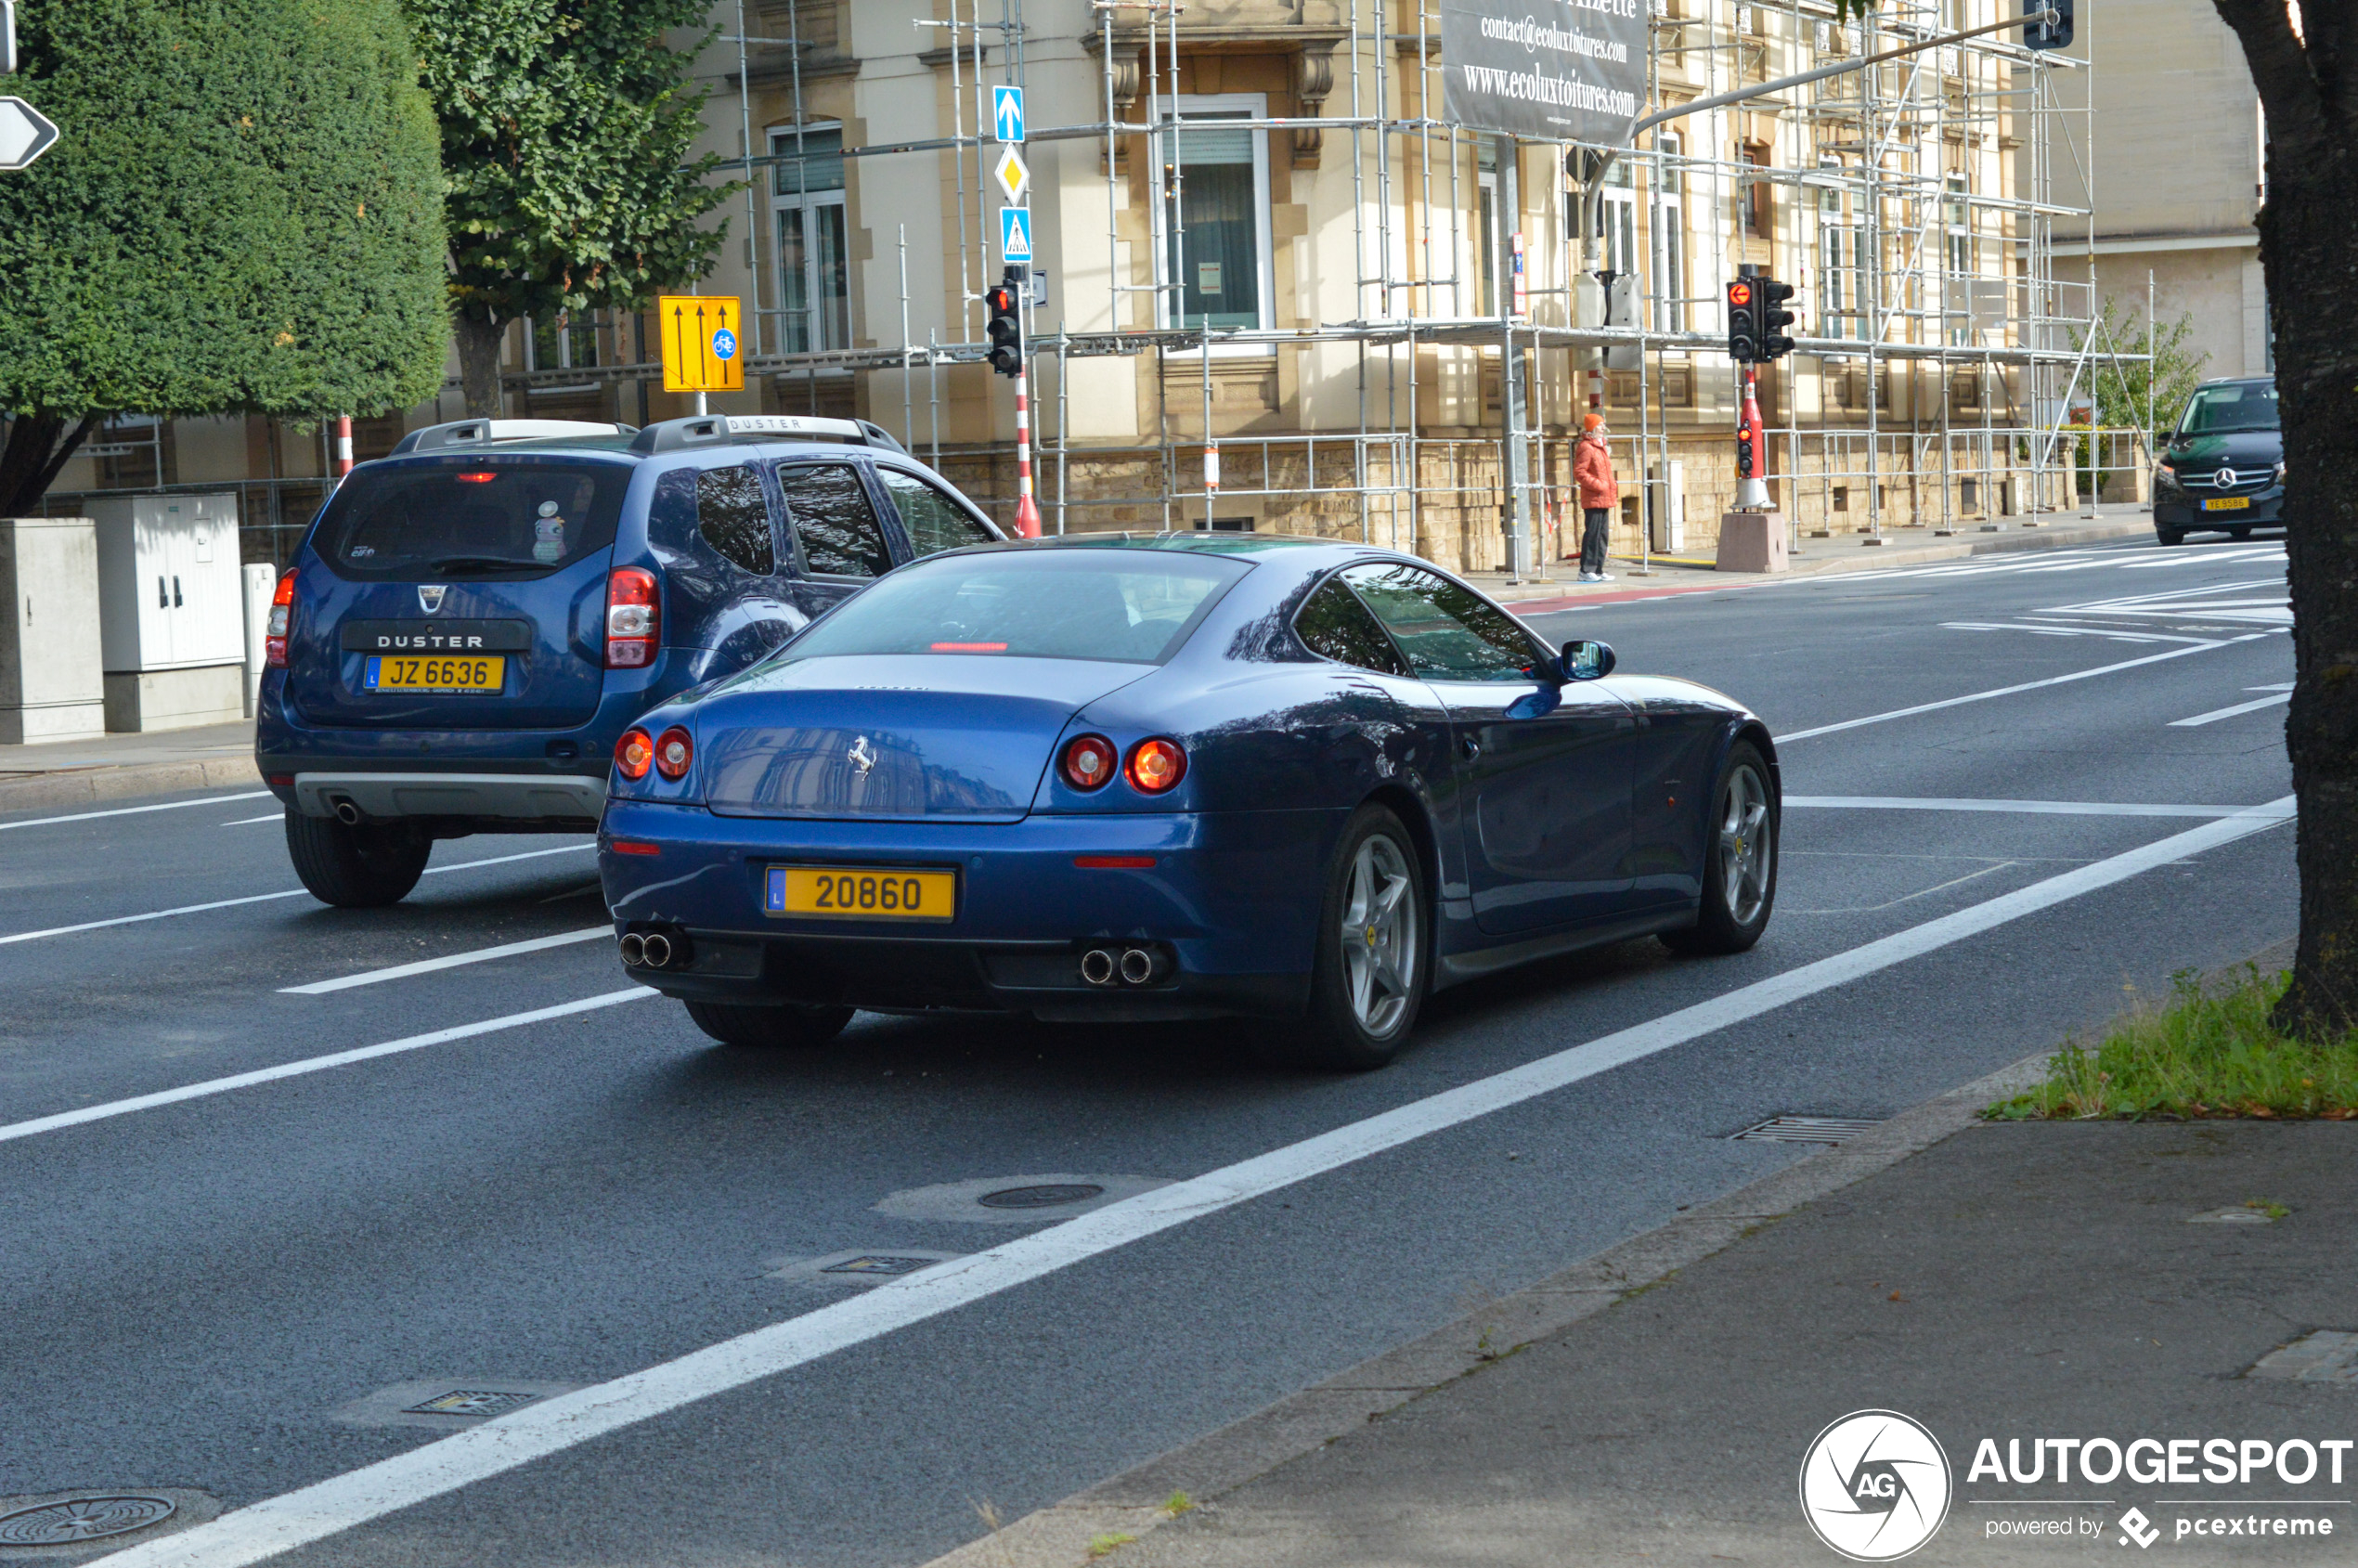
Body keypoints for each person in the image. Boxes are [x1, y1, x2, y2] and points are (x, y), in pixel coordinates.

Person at [1573, 412, 1617, 583]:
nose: (1603, 428)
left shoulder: (1601, 446)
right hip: (1594, 496)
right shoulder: (1586, 447)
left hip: (1604, 496)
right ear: (1592, 427)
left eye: (1603, 425)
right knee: (1592, 534)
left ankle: (1598, 569)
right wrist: (1598, 485)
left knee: (1602, 535)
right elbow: (1579, 472)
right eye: (1599, 425)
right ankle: (1586, 570)